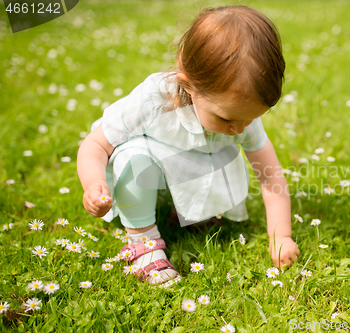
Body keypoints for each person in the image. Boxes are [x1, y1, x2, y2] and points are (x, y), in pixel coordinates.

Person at [77, 5, 300, 287]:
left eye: (252, 117)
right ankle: (143, 244)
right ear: (188, 83)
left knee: (221, 154)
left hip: (190, 161)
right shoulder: (152, 100)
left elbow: (270, 176)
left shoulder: (239, 115)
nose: (240, 128)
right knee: (134, 158)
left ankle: (188, 212)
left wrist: (281, 236)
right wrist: (94, 182)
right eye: (228, 118)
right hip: (144, 167)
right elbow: (95, 144)